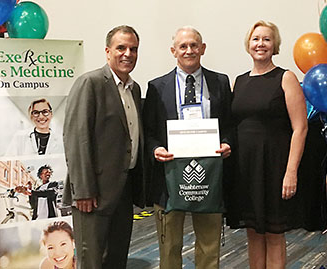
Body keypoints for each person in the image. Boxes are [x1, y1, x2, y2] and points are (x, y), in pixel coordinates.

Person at [143, 26, 233, 269]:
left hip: (208, 178)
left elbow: (230, 125)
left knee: (208, 245)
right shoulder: (156, 87)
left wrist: (227, 143)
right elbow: (148, 132)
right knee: (169, 246)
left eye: (194, 45)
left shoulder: (221, 82)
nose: (189, 50)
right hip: (169, 178)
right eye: (183, 46)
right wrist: (155, 150)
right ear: (174, 51)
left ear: (203, 49)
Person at [226, 20, 308, 269]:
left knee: (274, 235)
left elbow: (300, 128)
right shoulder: (238, 81)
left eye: (266, 39)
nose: (260, 44)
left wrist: (291, 171)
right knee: (252, 232)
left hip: (274, 168)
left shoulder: (286, 78)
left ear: (275, 46)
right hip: (244, 169)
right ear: (248, 44)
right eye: (256, 39)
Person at [62, 25, 144, 269]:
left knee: (117, 257)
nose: (127, 54)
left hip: (123, 189)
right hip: (93, 193)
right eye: (121, 48)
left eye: (133, 49)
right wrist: (83, 190)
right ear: (108, 51)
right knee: (92, 259)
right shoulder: (91, 83)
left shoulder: (134, 88)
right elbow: (77, 139)